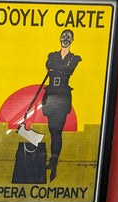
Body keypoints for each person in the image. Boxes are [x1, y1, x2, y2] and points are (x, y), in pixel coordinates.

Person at [42, 29, 81, 181]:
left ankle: (54, 162)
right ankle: (53, 163)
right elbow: (49, 65)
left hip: (63, 96)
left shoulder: (75, 57)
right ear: (59, 38)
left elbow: (69, 69)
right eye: (63, 36)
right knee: (53, 131)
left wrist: (57, 69)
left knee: (57, 131)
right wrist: (62, 67)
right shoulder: (52, 55)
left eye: (69, 37)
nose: (65, 39)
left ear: (72, 40)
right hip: (51, 95)